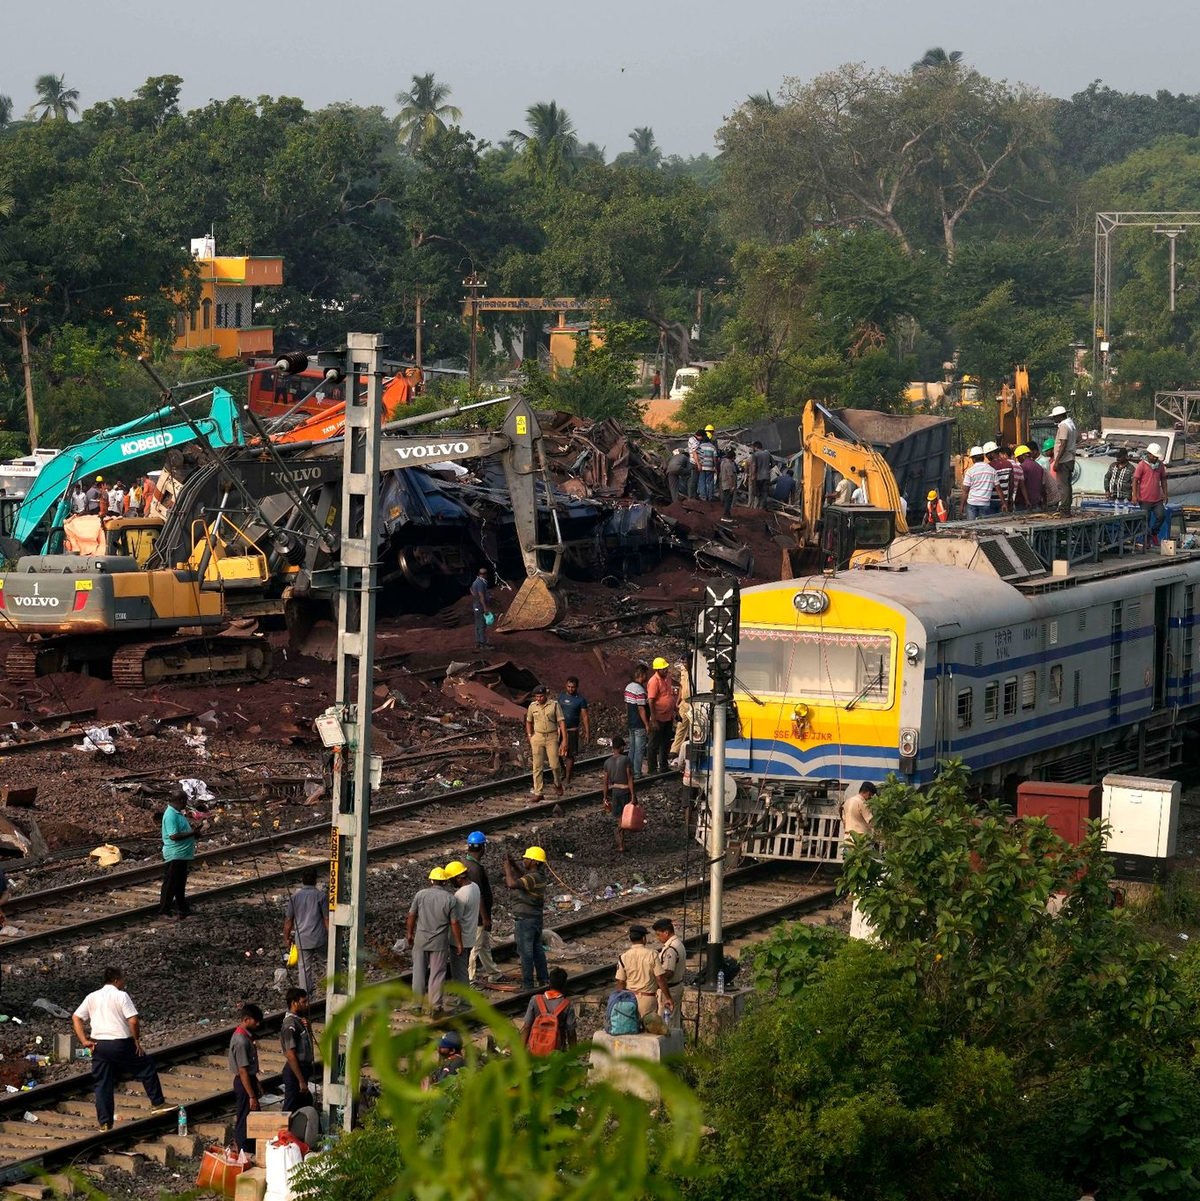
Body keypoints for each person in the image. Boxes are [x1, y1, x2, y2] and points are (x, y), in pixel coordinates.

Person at [72, 967, 172, 1132]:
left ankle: (105, 1123)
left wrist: (84, 1040)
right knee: (146, 1067)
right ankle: (158, 1103)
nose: (123, 983)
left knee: (102, 1084)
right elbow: (133, 1021)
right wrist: (136, 1040)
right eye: (122, 980)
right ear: (117, 980)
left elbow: (76, 1017)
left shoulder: (92, 997)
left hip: (99, 1046)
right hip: (120, 1043)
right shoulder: (121, 995)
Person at [407, 866, 463, 1014]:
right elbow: (454, 923)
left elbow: (412, 915)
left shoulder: (420, 895)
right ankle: (435, 1007)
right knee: (437, 974)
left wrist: (409, 934)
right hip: (439, 943)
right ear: (444, 882)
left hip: (421, 940)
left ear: (431, 880)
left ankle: (416, 1006)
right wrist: (459, 943)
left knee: (418, 973)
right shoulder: (450, 899)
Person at [503, 846, 549, 992]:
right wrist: (514, 865)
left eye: (526, 858)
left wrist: (507, 869)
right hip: (535, 918)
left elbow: (511, 884)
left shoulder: (532, 878)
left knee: (526, 953)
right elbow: (524, 877)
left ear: (534, 861)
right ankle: (543, 979)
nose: (524, 860)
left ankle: (528, 984)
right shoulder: (538, 877)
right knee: (537, 949)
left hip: (525, 920)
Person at [463, 832, 502, 986]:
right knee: (475, 948)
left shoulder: (466, 863)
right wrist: (485, 918)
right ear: (482, 847)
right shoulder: (475, 869)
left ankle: (494, 973)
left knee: (484, 946)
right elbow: (478, 895)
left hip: (471, 914)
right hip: (478, 917)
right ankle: (469, 979)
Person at [283, 866, 328, 995]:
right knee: (331, 960)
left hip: (302, 939)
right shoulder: (322, 896)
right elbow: (326, 919)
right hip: (319, 938)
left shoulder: (294, 897)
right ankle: (331, 987)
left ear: (302, 880)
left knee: (304, 968)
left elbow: (288, 921)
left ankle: (305, 996)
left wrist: (286, 938)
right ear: (316, 880)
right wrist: (332, 935)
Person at [159, 790, 201, 919]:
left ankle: (183, 909)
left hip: (181, 854)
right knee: (171, 883)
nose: (186, 803)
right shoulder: (171, 815)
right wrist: (192, 833)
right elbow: (173, 836)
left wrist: (194, 834)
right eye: (186, 800)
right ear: (182, 800)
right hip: (175, 854)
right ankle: (164, 911)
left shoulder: (177, 813)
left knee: (179, 883)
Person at [230, 1003, 263, 1153]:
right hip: (244, 1083)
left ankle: (251, 1148)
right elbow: (243, 1071)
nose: (258, 1024)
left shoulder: (245, 1037)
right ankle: (243, 1149)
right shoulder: (241, 1041)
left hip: (249, 1080)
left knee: (253, 1117)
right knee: (245, 1118)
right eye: (255, 1021)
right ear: (246, 1019)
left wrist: (256, 1082)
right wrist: (251, 1096)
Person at [521, 966, 577, 1052]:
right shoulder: (567, 1005)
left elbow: (526, 1027)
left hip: (536, 1049)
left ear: (549, 983)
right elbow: (571, 1033)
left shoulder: (535, 1000)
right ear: (564, 985)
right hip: (557, 1052)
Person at [525, 684, 566, 800]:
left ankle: (557, 783)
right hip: (538, 736)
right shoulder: (532, 706)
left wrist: (564, 740)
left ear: (545, 695)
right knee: (537, 766)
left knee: (554, 765)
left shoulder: (554, 705)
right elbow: (528, 721)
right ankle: (538, 792)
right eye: (537, 696)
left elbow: (561, 722)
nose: (539, 698)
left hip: (551, 737)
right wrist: (530, 735)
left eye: (541, 696)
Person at [445, 860, 479, 992]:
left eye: (451, 879)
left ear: (458, 878)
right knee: (463, 968)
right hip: (470, 937)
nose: (450, 882)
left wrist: (458, 943)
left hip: (460, 940)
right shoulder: (475, 886)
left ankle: (464, 1000)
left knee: (460, 973)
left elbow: (455, 921)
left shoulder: (460, 895)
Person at [615, 925, 660, 1020]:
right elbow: (659, 978)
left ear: (630, 938)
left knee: (631, 1025)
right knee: (648, 1026)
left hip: (630, 999)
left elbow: (621, 982)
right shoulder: (652, 954)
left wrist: (618, 999)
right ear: (644, 938)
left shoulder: (623, 957)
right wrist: (668, 997)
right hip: (648, 999)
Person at [279, 987, 314, 1112]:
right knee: (290, 1108)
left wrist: (308, 1028)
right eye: (303, 1002)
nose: (306, 1005)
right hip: (295, 1071)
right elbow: (291, 1055)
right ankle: (283, 1126)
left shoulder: (299, 1021)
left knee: (305, 1105)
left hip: (302, 1070)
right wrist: (301, 1080)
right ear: (294, 1003)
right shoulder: (290, 1024)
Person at [602, 735, 636, 853]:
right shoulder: (626, 760)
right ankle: (619, 832)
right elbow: (630, 778)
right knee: (625, 818)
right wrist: (633, 795)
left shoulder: (607, 762)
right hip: (625, 791)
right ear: (621, 747)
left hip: (615, 792)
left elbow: (605, 782)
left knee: (619, 817)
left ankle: (621, 845)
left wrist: (605, 798)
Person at [652, 918, 687, 1030]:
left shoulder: (671, 949)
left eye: (659, 934)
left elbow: (669, 972)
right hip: (677, 986)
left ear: (666, 932)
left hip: (670, 989)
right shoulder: (678, 943)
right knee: (674, 1019)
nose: (658, 938)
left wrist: (657, 976)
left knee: (667, 1023)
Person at [645, 657, 678, 775]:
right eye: (663, 669)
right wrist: (653, 720)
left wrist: (675, 711)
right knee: (653, 744)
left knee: (665, 742)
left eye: (666, 668)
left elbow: (669, 696)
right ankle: (652, 769)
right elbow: (651, 701)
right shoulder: (654, 681)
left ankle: (663, 766)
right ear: (657, 670)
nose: (666, 670)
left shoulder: (667, 678)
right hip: (658, 718)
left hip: (668, 717)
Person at [1133, 442, 1169, 546]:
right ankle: (1147, 539)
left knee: (1161, 516)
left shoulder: (1160, 465)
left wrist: (1165, 493)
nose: (1155, 458)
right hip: (1144, 498)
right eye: (1154, 456)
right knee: (1145, 520)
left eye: (1156, 457)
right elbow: (1135, 480)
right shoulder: (1142, 465)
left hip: (1157, 499)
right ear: (1149, 454)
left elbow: (1163, 479)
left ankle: (1154, 533)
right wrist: (1134, 495)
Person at [557, 677, 590, 788]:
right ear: (566, 686)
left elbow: (585, 717)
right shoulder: (561, 698)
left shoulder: (580, 700)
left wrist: (587, 732)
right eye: (569, 687)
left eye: (573, 687)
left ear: (577, 687)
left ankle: (567, 777)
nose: (571, 689)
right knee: (555, 752)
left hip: (572, 730)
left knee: (570, 755)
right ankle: (563, 769)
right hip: (560, 730)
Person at [1049, 404, 1077, 515]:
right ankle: (1067, 507)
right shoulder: (1071, 424)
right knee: (1067, 484)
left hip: (1064, 459)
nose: (1053, 419)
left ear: (1060, 416)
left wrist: (1057, 461)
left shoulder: (1064, 426)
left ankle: (1064, 508)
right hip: (1070, 458)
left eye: (1054, 417)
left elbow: (1063, 443)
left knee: (1063, 484)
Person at [960, 446, 1002, 521]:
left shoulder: (970, 471)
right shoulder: (992, 470)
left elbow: (965, 490)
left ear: (973, 459)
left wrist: (961, 506)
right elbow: (998, 488)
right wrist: (1004, 503)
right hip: (985, 504)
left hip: (972, 503)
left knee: (971, 525)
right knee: (983, 525)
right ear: (983, 457)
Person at [623, 663, 651, 776]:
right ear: (642, 675)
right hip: (639, 724)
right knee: (639, 749)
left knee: (632, 748)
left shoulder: (628, 687)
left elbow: (626, 704)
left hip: (631, 722)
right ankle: (637, 773)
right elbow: (641, 708)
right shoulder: (640, 690)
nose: (647, 677)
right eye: (646, 675)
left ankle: (629, 772)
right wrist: (647, 724)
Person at [469, 567, 493, 650]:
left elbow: (471, 589)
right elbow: (481, 596)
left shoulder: (476, 581)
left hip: (476, 606)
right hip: (480, 607)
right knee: (482, 625)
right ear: (486, 575)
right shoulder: (480, 583)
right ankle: (483, 644)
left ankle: (478, 643)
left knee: (478, 625)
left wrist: (475, 597)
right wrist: (485, 608)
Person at [1015, 445, 1045, 510]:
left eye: (1018, 458)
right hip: (1036, 501)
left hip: (1025, 503)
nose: (1018, 460)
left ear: (1023, 456)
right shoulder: (1038, 466)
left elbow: (1021, 485)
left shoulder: (1023, 467)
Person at [748, 441, 772, 509]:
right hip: (767, 476)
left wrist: (753, 475)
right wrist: (767, 468)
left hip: (758, 476)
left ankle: (757, 507)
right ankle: (762, 506)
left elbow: (754, 465)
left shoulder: (755, 455)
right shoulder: (768, 454)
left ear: (755, 447)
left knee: (757, 491)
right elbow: (773, 464)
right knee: (765, 492)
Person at [696, 430, 717, 502]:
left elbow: (697, 456)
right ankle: (710, 497)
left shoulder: (700, 446)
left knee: (702, 481)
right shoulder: (712, 447)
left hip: (702, 467)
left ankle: (703, 496)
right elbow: (714, 458)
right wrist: (715, 466)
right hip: (710, 467)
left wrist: (698, 465)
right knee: (710, 482)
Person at [718, 447, 738, 522]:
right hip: (728, 485)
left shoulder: (723, 463)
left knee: (726, 500)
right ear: (732, 457)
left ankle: (728, 515)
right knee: (728, 501)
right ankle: (725, 515)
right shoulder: (729, 465)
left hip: (723, 484)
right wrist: (732, 486)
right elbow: (730, 476)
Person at [686, 429, 702, 499]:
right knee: (693, 480)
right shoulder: (695, 442)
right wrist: (698, 464)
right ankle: (692, 496)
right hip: (694, 463)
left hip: (692, 462)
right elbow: (694, 452)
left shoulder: (691, 439)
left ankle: (692, 495)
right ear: (700, 436)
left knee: (692, 480)